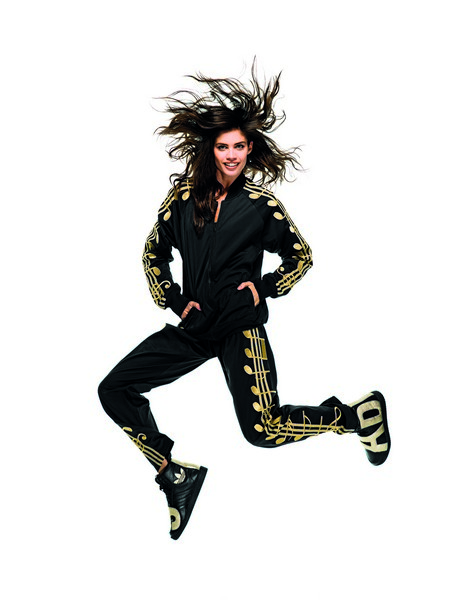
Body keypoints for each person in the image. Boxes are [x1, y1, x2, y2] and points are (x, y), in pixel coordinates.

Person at [98, 64, 391, 540]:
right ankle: (174, 475)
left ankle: (352, 416)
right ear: (210, 150)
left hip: (240, 327)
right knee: (114, 389)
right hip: (196, 328)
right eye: (223, 147)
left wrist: (266, 287)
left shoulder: (259, 204)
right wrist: (174, 300)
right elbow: (153, 252)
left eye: (239, 146)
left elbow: (301, 255)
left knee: (263, 430)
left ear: (249, 148)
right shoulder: (183, 199)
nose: (232, 155)